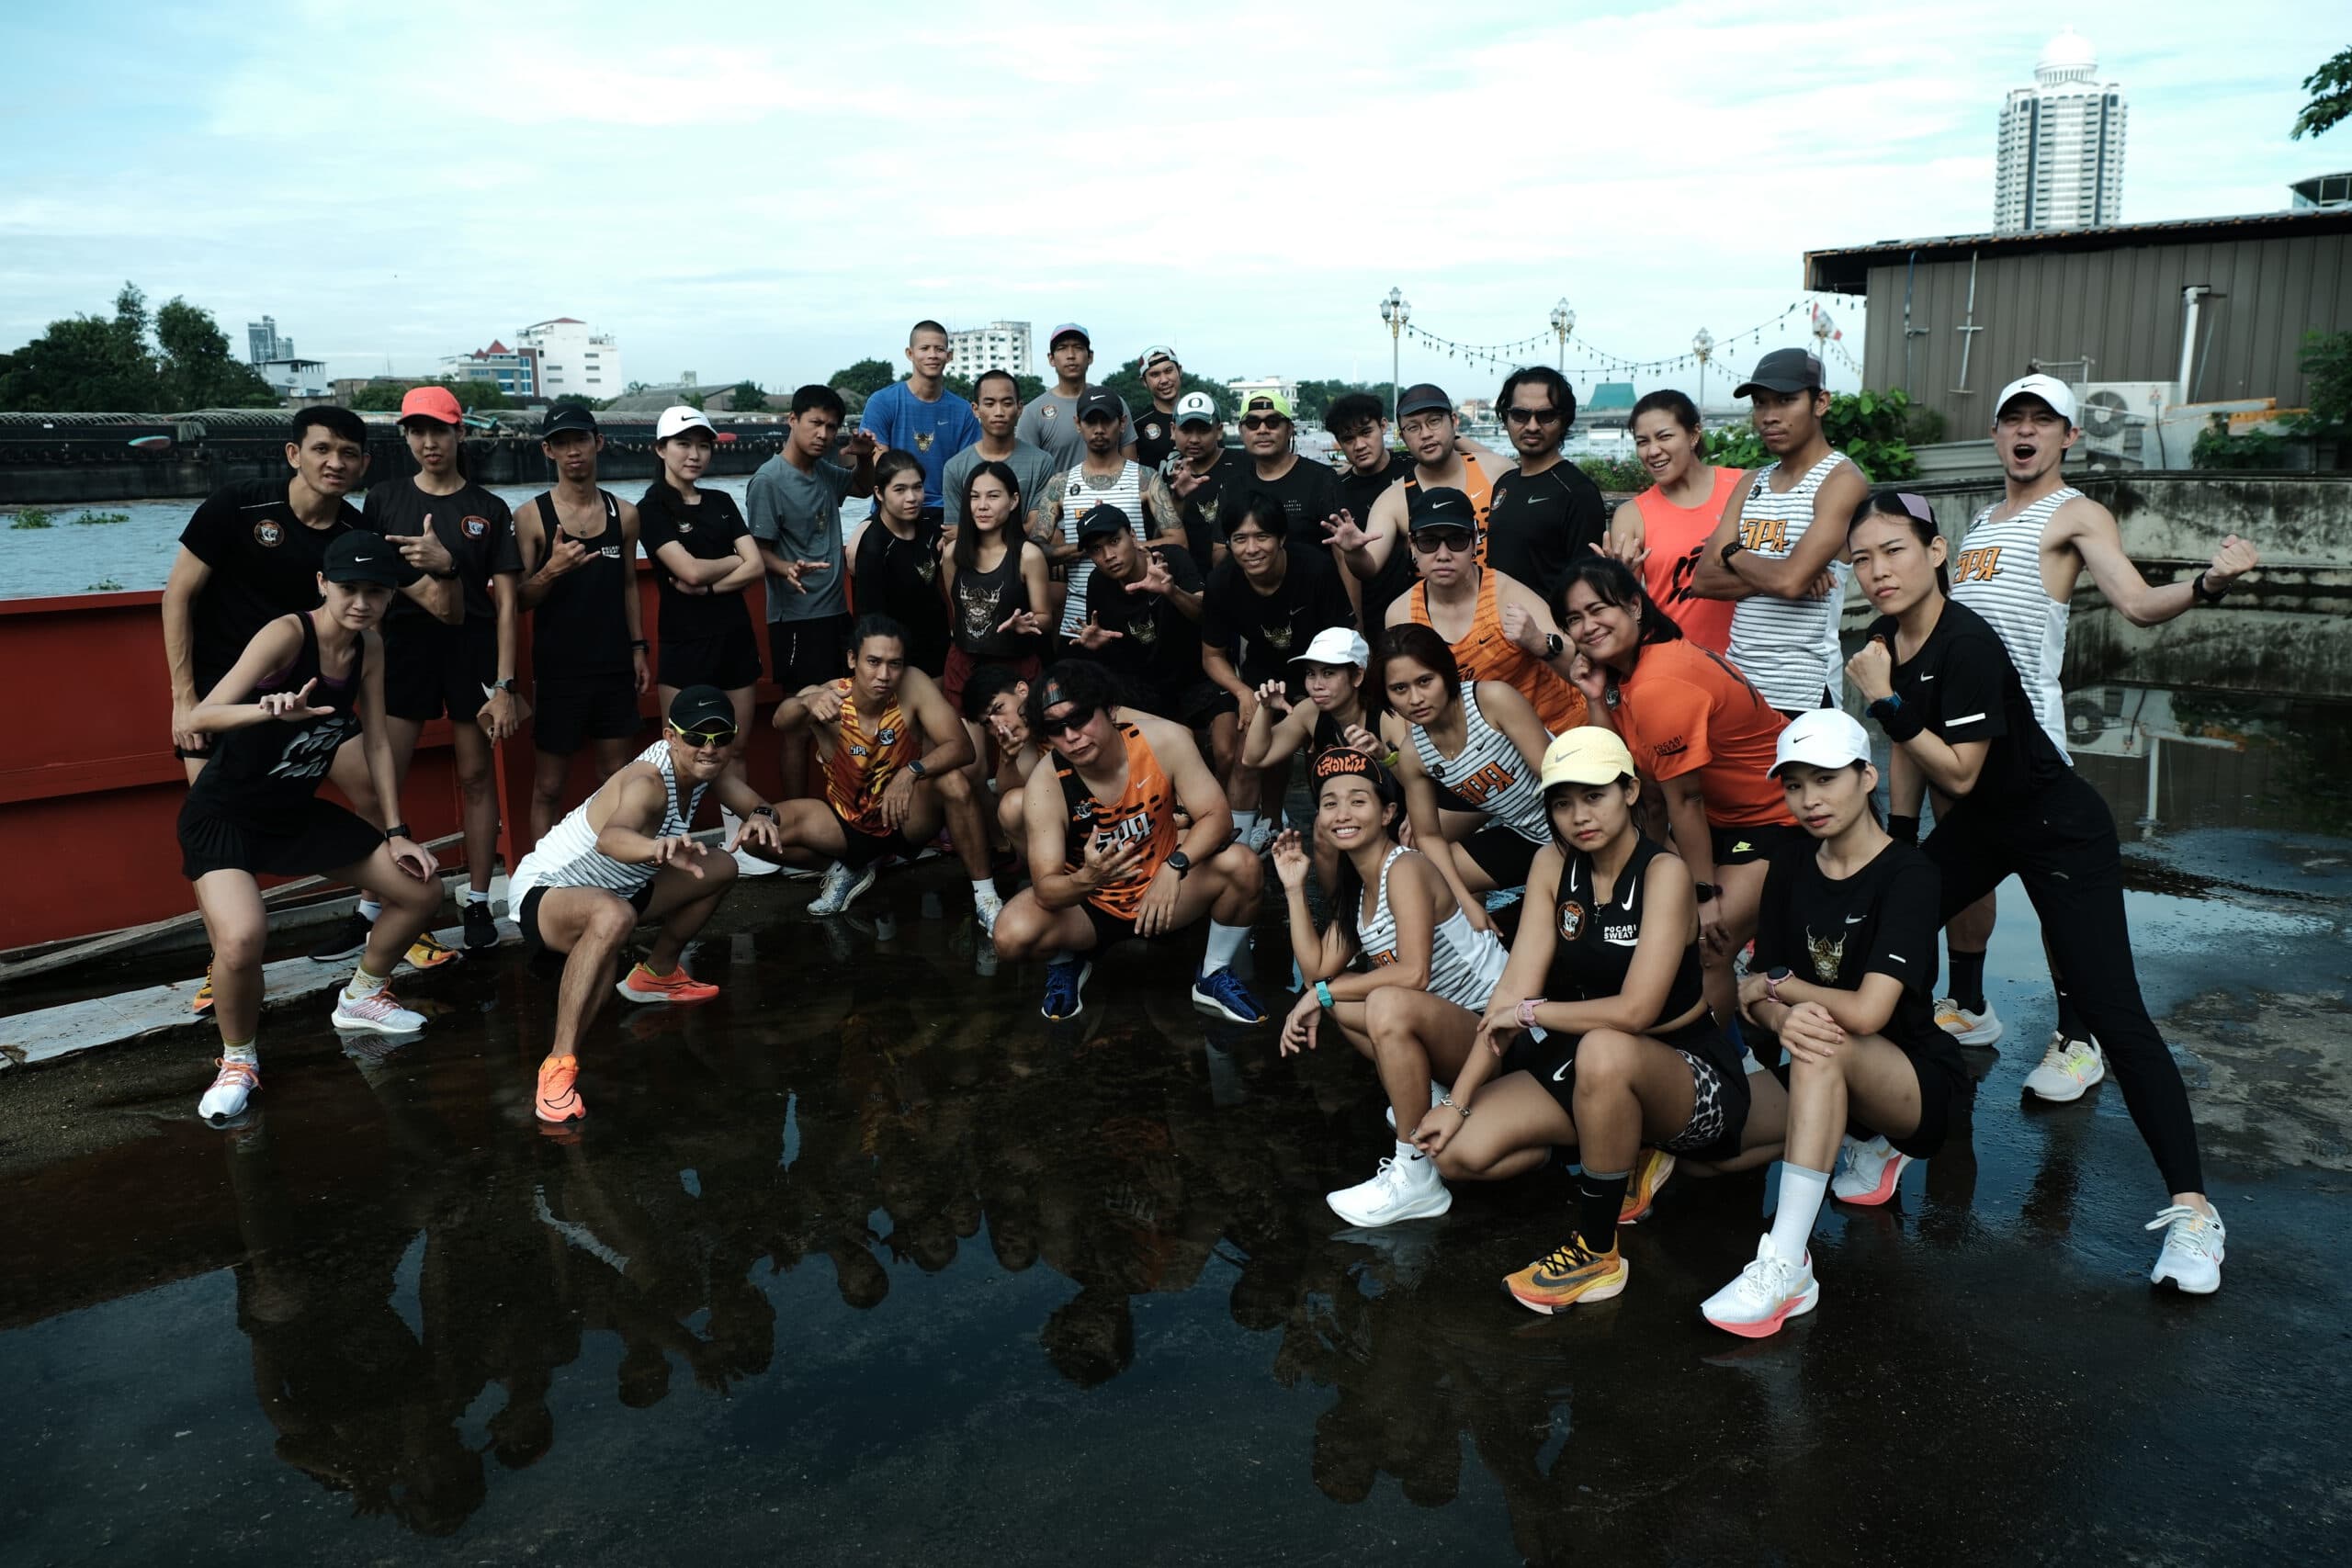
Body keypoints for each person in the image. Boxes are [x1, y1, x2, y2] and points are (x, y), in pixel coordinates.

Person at [1844, 489, 2228, 1294]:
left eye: (1894, 551)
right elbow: (1909, 754)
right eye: (1862, 558)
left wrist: (1882, 699)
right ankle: (1892, 1123)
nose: (1878, 571)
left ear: (1938, 552)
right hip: (1982, 828)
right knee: (1884, 934)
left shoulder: (1969, 642)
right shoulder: (1886, 636)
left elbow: (1957, 765)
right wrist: (1904, 852)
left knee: (2112, 1009)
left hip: (2058, 828)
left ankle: (2194, 1211)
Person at [1907, 374, 2261, 1066]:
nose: (2026, 431)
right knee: (1960, 876)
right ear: (1996, 433)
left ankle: (2078, 1038)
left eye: (2043, 421)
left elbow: (2133, 602)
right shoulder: (1980, 522)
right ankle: (1971, 1004)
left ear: (2069, 436)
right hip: (1960, 732)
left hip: (2027, 738)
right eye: (2014, 419)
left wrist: (2206, 583)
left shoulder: (2077, 515)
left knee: (2054, 896)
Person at [1423, 728, 1782, 1311]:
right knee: (1460, 1153)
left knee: (1606, 1050)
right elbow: (1510, 992)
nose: (1578, 816)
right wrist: (1457, 1101)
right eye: (1562, 802)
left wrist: (1533, 1011)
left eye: (1595, 796)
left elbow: (1635, 1011)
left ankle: (1597, 1252)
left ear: (1630, 791)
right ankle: (1622, 1146)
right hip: (1590, 1060)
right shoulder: (1550, 865)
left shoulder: (1663, 873)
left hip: (1683, 1062)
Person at [1698, 708, 1966, 1337]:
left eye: (1824, 778)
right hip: (1823, 1059)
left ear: (1867, 775)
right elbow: (1751, 989)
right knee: (1708, 1157)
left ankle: (1787, 1264)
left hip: (1914, 1082)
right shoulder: (1790, 861)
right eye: (1794, 784)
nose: (1809, 799)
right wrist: (1775, 1007)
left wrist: (1784, 995)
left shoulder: (1909, 873)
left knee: (1823, 1037)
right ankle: (1858, 1143)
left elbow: (1868, 1010)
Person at [179, 532, 449, 1124]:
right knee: (243, 940)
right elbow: (202, 715)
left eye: (375, 592)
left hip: (293, 811)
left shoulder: (370, 646)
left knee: (421, 887)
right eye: (348, 588)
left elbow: (375, 739)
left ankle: (362, 997)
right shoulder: (287, 634)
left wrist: (397, 828)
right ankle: (238, 1062)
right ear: (323, 584)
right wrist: (268, 708)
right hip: (225, 813)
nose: (360, 602)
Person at [162, 405, 375, 1013]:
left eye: (349, 453)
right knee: (217, 837)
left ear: (362, 464)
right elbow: (177, 594)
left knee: (373, 791)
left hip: (309, 704)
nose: (335, 462)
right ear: (293, 454)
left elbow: (384, 604)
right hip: (222, 700)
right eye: (322, 449)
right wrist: (184, 698)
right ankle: (222, 961)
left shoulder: (351, 538)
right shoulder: (238, 508)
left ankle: (386, 912)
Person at [506, 686, 786, 1130]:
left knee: (721, 866)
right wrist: (656, 847)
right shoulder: (648, 782)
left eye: (720, 736)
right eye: (696, 737)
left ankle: (655, 975)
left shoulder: (708, 766)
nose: (709, 747)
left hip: (622, 888)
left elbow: (760, 804)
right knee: (613, 916)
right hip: (548, 892)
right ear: (670, 736)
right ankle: (556, 1068)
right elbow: (611, 838)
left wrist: (762, 818)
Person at [1541, 558, 1798, 1029]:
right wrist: (1596, 698)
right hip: (1721, 820)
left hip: (1776, 821)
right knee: (1656, 929)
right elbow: (1617, 771)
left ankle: (1723, 1067)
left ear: (1636, 606)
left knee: (1704, 944)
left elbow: (1683, 800)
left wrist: (1703, 894)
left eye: (1598, 609)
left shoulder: (1659, 680)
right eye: (1573, 619)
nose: (1587, 626)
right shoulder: (1628, 672)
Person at [315, 385, 524, 961]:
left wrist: (505, 685)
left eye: (439, 430)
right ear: (405, 437)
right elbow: (363, 580)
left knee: (477, 778)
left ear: (460, 433)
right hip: (400, 653)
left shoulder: (489, 508)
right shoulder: (383, 498)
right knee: (381, 782)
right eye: (417, 431)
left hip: (471, 655)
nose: (429, 442)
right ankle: (372, 905)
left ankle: (478, 898)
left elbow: (506, 604)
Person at [1273, 748, 1509, 1227]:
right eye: (1330, 803)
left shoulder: (1404, 868)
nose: (1342, 814)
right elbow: (1318, 966)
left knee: (1377, 1002)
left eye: (1358, 801)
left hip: (1497, 1032)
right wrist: (1295, 888)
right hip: (1456, 1029)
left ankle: (1414, 1174)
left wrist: (1320, 995)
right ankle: (1431, 1094)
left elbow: (1413, 973)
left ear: (1387, 812)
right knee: (1347, 1002)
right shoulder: (1361, 886)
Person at [990, 661, 1266, 1024]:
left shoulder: (1164, 740)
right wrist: (1087, 879)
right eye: (1056, 729)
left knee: (1245, 865)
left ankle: (1213, 974)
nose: (1071, 735)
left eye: (1080, 718)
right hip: (1091, 906)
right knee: (1010, 935)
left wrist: (1175, 866)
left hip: (1165, 891)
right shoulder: (1047, 782)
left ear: (1110, 709)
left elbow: (1217, 816)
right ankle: (1069, 959)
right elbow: (1045, 890)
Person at [767, 615, 999, 931]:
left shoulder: (912, 684)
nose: (884, 675)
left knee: (954, 782)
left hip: (903, 817)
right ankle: (847, 869)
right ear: (852, 659)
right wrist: (806, 702)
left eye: (894, 664)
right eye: (873, 662)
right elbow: (780, 722)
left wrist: (911, 772)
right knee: (759, 834)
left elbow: (962, 748)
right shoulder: (827, 696)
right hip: (846, 825)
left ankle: (986, 898)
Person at [1691, 348, 1866, 715]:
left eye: (1785, 401)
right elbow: (1703, 581)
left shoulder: (1841, 480)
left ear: (1820, 403)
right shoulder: (1751, 482)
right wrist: (1787, 574)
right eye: (1760, 403)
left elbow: (1788, 582)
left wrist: (1732, 553)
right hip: (1740, 683)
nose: (1769, 416)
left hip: (1803, 690)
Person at [512, 403, 650, 846]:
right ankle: (539, 883)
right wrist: (552, 570)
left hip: (613, 665)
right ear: (548, 451)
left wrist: (638, 649)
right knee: (549, 787)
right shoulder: (531, 517)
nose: (574, 451)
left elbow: (630, 584)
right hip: (559, 670)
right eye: (562, 443)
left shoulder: (624, 514)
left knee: (615, 780)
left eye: (581, 440)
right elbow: (518, 599)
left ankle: (611, 872)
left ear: (599, 443)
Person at [749, 386, 879, 832]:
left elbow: (863, 486)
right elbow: (757, 551)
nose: (823, 434)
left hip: (835, 614)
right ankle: (790, 825)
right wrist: (785, 567)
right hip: (795, 620)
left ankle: (846, 819)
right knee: (799, 722)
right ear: (792, 420)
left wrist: (861, 456)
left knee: (845, 714)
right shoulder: (768, 480)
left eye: (831, 427)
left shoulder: (825, 471)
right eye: (814, 424)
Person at [1200, 492, 1358, 849]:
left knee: (1325, 750)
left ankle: (1332, 829)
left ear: (1281, 538)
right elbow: (1212, 656)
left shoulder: (1315, 569)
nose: (1251, 549)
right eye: (1240, 539)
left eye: (1262, 537)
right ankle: (1245, 840)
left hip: (1320, 668)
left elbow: (1345, 639)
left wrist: (1325, 690)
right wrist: (1242, 693)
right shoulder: (1222, 583)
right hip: (1263, 673)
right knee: (1246, 750)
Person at [1373, 624, 1551, 911]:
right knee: (1418, 874)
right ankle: (1477, 946)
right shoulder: (1413, 753)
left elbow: (1556, 778)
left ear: (1445, 673)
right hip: (1523, 835)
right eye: (1399, 689)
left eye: (1425, 681)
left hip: (1569, 824)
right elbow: (1428, 836)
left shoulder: (1492, 701)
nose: (1415, 699)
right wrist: (1466, 901)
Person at [1387, 487, 1585, 735]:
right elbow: (1408, 704)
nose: (1443, 555)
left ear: (1475, 541)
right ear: (1412, 546)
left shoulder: (1507, 595)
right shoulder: (1402, 613)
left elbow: (1582, 673)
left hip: (1560, 730)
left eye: (1457, 540)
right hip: (1481, 754)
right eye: (1429, 542)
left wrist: (1539, 642)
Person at [1073, 506, 1232, 773]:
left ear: (1133, 536)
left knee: (1226, 751)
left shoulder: (1170, 558)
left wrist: (1172, 592)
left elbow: (1208, 616)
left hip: (1196, 676)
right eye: (1096, 550)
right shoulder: (1098, 583)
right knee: (1170, 753)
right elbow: (1112, 654)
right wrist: (1098, 647)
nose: (1108, 556)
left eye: (1114, 541)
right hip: (1144, 690)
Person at [1030, 389, 1180, 639]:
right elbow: (1036, 549)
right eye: (1091, 421)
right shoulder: (1060, 484)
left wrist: (1126, 546)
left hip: (1138, 610)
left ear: (1121, 424)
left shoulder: (1145, 478)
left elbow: (1178, 540)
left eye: (1106, 421)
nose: (1099, 429)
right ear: (1078, 425)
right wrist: (1085, 546)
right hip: (1080, 618)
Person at [1606, 389, 1741, 651]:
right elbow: (1628, 611)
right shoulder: (1632, 514)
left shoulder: (1743, 486)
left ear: (1693, 435)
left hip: (1751, 661)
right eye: (1642, 442)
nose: (1652, 451)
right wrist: (1617, 579)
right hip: (1674, 661)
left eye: (1664, 437)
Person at [1484, 366, 1609, 603]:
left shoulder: (1578, 492)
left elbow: (1589, 584)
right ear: (1506, 418)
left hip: (1547, 631)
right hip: (1495, 627)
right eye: (1520, 415)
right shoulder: (1505, 484)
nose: (1532, 426)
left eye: (1545, 416)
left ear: (1564, 421)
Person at [940, 458, 1052, 715]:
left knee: (1020, 748)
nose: (982, 506)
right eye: (974, 497)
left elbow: (1046, 618)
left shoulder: (1028, 555)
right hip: (964, 666)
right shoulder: (953, 554)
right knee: (971, 754)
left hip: (1015, 670)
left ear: (1013, 501)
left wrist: (1028, 622)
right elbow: (957, 613)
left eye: (993, 496)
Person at [854, 320, 980, 520]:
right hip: (892, 510)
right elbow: (880, 470)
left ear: (949, 356)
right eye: (924, 348)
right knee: (854, 550)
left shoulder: (963, 410)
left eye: (939, 349)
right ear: (910, 354)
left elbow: (969, 472)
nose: (932, 355)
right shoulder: (883, 402)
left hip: (945, 511)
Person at [847, 448, 950, 676]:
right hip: (896, 657)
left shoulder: (930, 525)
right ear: (880, 493)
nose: (912, 498)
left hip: (937, 647)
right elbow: (870, 618)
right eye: (900, 490)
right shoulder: (874, 546)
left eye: (917, 487)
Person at [1322, 392, 1418, 626]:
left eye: (1366, 432)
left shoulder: (1414, 466)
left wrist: (1451, 436)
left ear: (1383, 426)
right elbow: (1343, 563)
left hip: (1423, 603)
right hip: (1372, 610)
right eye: (1348, 439)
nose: (1360, 445)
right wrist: (1357, 626)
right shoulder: (1337, 489)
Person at [942, 368, 1057, 542]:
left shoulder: (1041, 462)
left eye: (1007, 403)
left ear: (1019, 408)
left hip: (1024, 556)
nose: (999, 412)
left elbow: (1037, 526)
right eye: (989, 404)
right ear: (975, 409)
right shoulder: (955, 467)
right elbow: (953, 532)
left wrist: (974, 535)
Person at [1225, 390, 1342, 543]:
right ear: (1241, 431)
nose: (1262, 430)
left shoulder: (1322, 480)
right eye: (1253, 423)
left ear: (1289, 429)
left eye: (1272, 422)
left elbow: (1342, 550)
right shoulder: (1233, 487)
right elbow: (1221, 550)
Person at [1015, 323, 1134, 468]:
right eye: (1062, 348)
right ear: (1051, 358)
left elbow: (1132, 468)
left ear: (1090, 356)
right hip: (1056, 491)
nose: (1071, 355)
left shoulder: (1114, 403)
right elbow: (1027, 473)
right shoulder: (1032, 413)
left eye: (1078, 347)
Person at [960, 662, 1044, 841]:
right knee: (1011, 807)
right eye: (987, 723)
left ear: (1022, 690)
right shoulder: (1020, 737)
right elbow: (1009, 793)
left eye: (999, 708)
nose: (998, 725)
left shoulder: (1057, 708)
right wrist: (1008, 759)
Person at [1165, 390, 1242, 568]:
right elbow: (1163, 540)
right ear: (1173, 430)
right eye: (1186, 430)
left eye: (1203, 430)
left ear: (1219, 431)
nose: (1194, 439)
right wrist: (1177, 498)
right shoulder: (1170, 477)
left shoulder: (1245, 464)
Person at [1130, 345, 1185, 470]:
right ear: (1144, 381)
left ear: (1180, 371)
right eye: (1155, 375)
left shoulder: (1201, 415)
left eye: (1168, 371)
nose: (1164, 380)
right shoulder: (1136, 425)